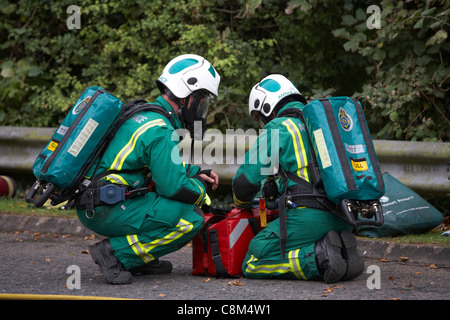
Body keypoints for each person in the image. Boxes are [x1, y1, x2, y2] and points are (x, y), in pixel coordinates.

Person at [76, 54, 221, 284]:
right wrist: (202, 192)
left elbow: (156, 166)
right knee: (190, 218)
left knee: (167, 202)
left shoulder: (145, 115)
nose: (201, 110)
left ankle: (140, 258)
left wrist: (192, 172)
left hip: (100, 200)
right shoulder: (160, 129)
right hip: (107, 206)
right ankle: (116, 254)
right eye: (201, 100)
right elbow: (171, 187)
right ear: (187, 97)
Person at [232, 74, 364, 283]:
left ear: (268, 108)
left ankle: (318, 258)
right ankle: (340, 253)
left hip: (308, 218)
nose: (264, 121)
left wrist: (241, 202)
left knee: (253, 259)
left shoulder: (280, 127)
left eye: (261, 116)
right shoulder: (325, 124)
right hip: (344, 216)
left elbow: (245, 181)